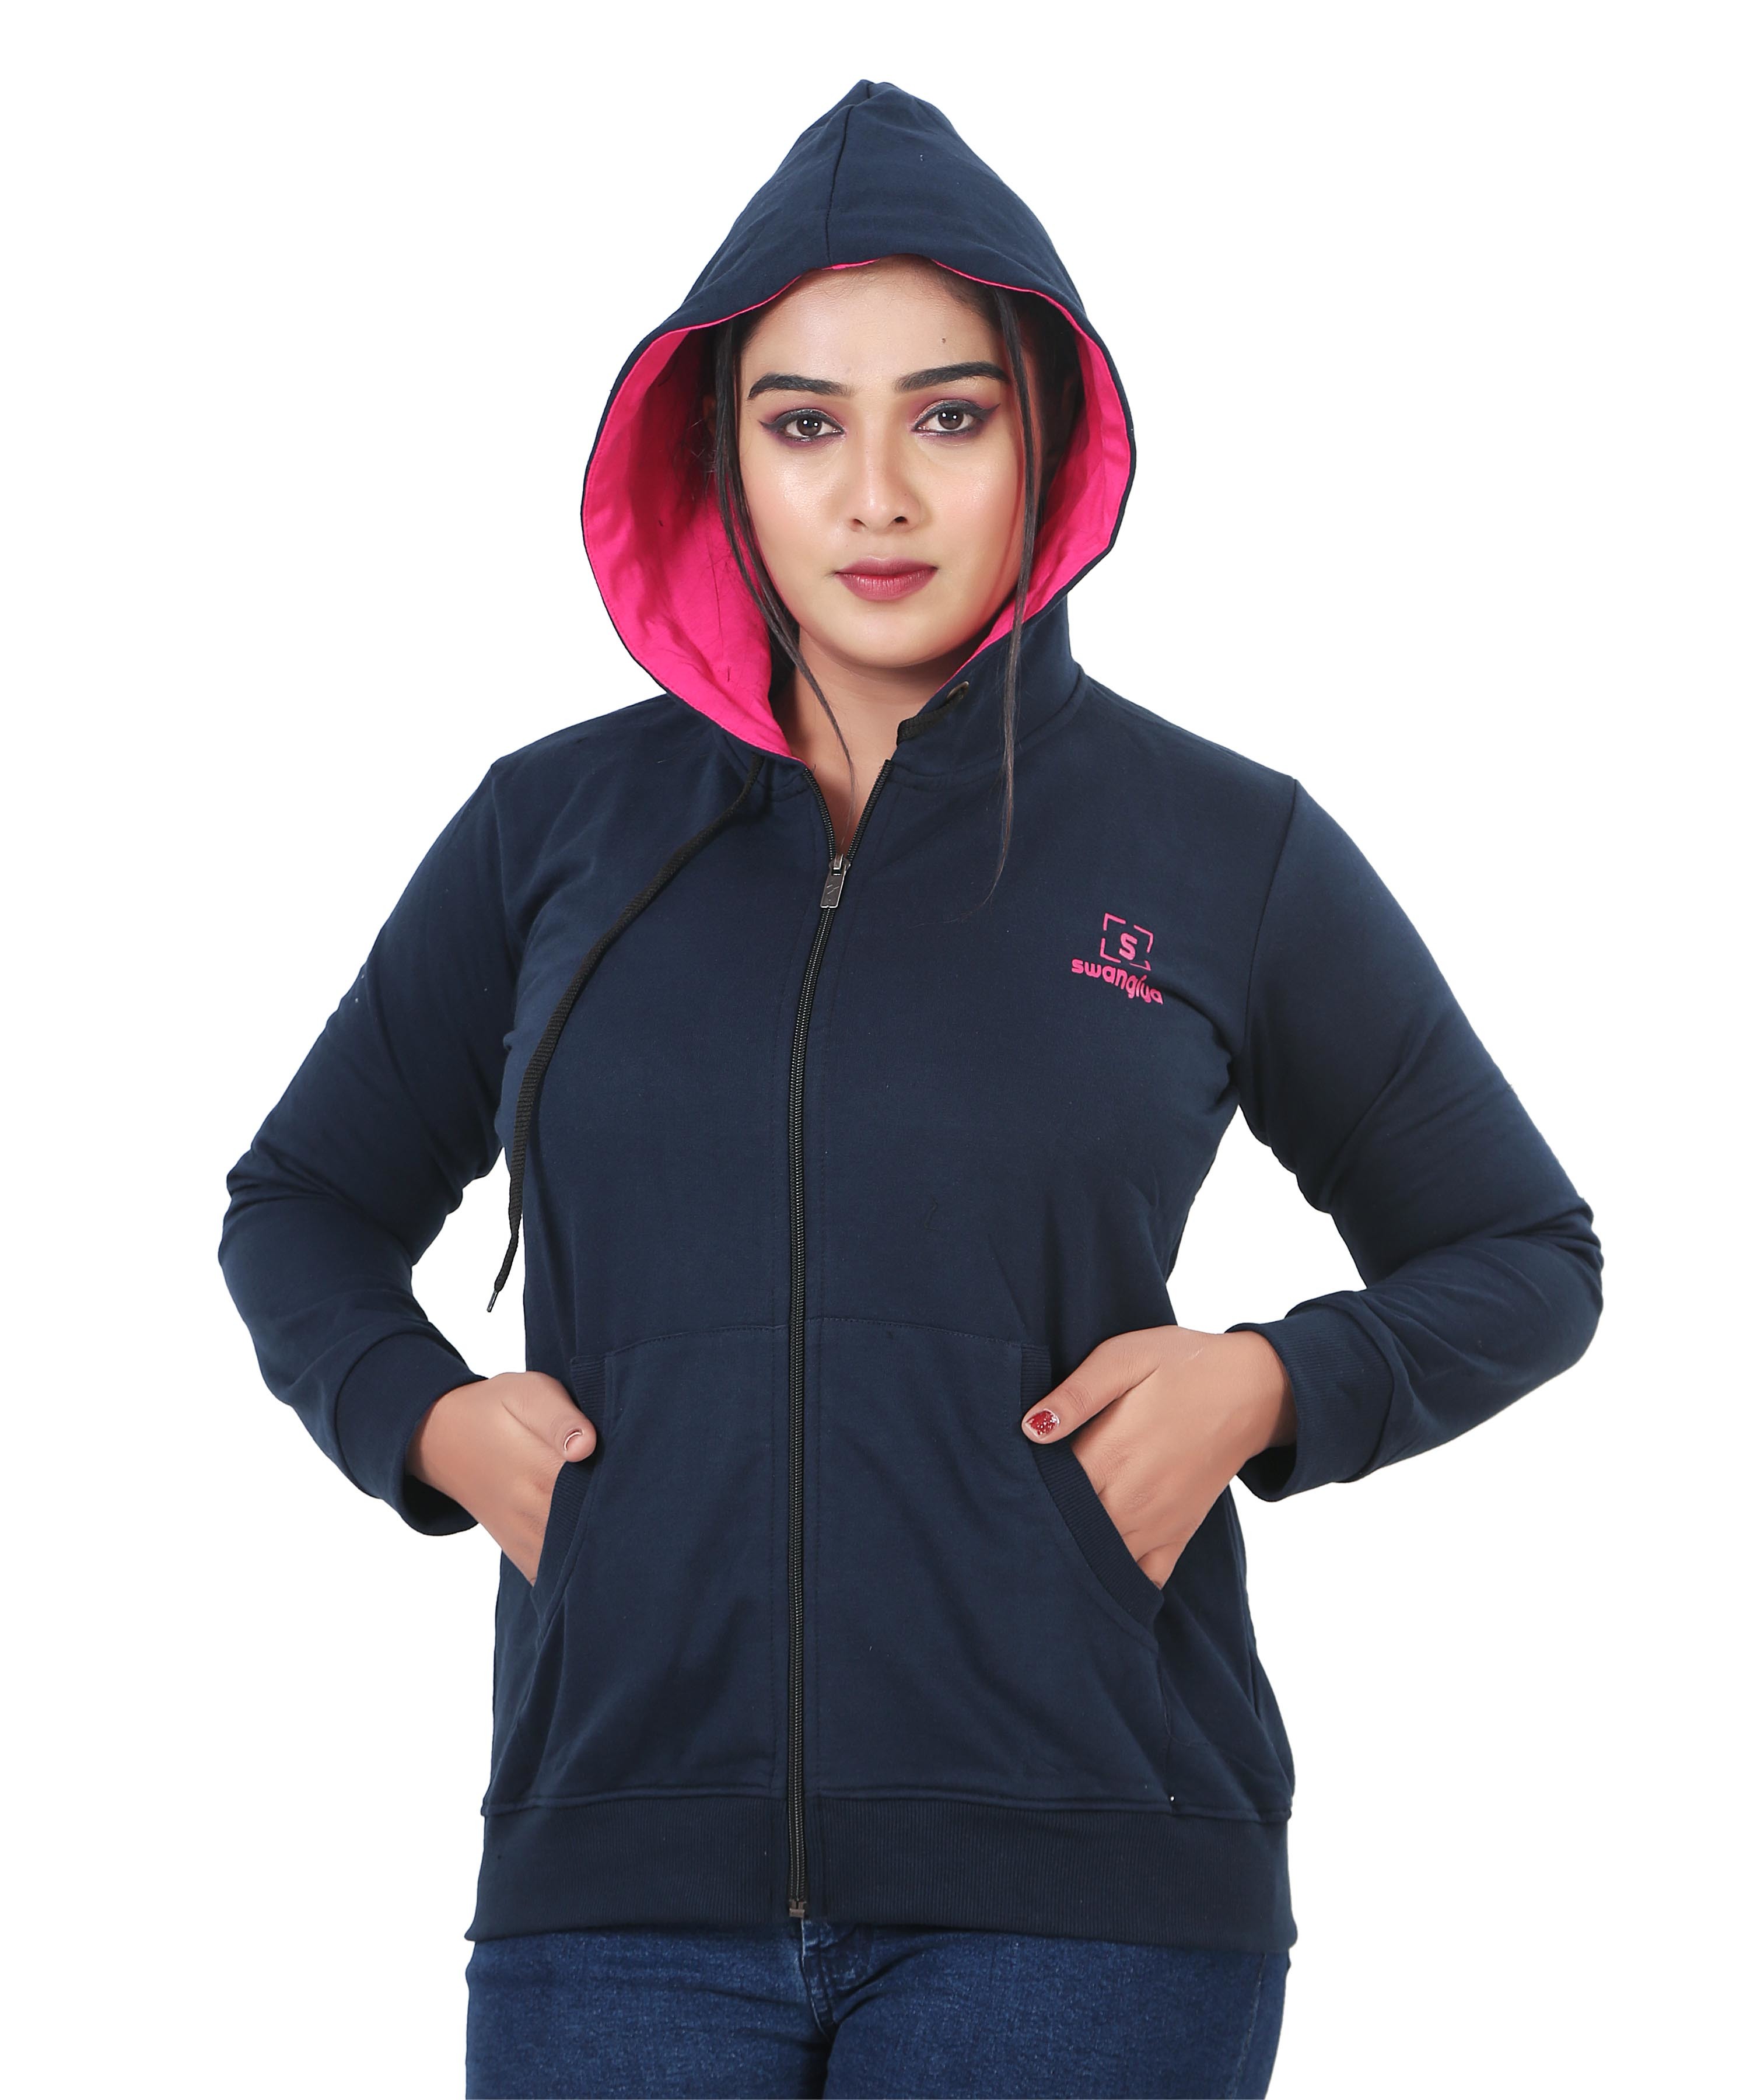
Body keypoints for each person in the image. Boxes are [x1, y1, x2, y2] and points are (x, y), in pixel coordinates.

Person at [218, 80, 1604, 2100]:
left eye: (948, 417)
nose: (876, 496)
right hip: (616, 1889)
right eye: (806, 426)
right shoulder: (554, 833)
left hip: (1093, 1899)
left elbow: (1522, 1251)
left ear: (1045, 437)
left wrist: (1269, 1384)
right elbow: (304, 1204)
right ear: (718, 458)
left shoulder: (1223, 847)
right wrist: (424, 1420)